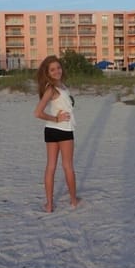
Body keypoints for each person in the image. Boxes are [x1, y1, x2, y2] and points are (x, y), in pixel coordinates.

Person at [34, 55, 79, 212]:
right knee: (66, 166)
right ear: (47, 72)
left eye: (58, 68)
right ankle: (73, 201)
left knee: (51, 166)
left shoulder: (61, 86)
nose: (56, 71)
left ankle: (50, 205)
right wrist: (56, 118)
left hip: (52, 130)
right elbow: (38, 113)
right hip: (62, 129)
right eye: (52, 69)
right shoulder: (51, 88)